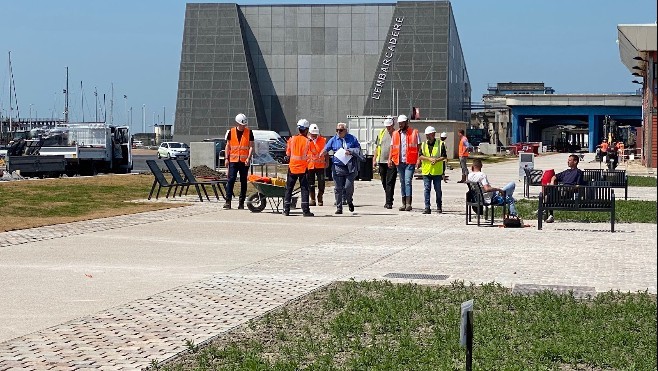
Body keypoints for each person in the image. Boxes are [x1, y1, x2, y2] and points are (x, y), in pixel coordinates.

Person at [320, 122, 362, 214]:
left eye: (341, 130)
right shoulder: (333, 139)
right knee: (338, 188)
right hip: (338, 167)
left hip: (350, 167)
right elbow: (326, 148)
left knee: (348, 187)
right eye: (337, 130)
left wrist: (350, 151)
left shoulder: (352, 139)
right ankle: (339, 208)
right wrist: (322, 153)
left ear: (345, 130)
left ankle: (349, 201)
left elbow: (358, 149)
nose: (339, 132)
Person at [388, 114, 421, 211]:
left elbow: (419, 147)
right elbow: (392, 147)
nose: (401, 125)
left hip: (410, 161)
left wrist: (419, 159)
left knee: (407, 181)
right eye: (399, 123)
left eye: (402, 123)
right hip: (399, 162)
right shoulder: (395, 134)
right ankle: (403, 203)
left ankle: (408, 203)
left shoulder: (414, 132)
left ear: (407, 123)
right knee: (402, 182)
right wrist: (390, 159)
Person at [283, 119, 314, 217]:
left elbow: (288, 153)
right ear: (306, 130)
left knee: (289, 189)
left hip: (292, 168)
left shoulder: (291, 139)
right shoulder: (308, 141)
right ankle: (305, 211)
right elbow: (310, 155)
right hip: (303, 169)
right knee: (304, 189)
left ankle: (286, 210)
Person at [224, 113, 254, 209]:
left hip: (244, 161)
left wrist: (248, 158)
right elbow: (227, 146)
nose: (243, 126)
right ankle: (228, 201)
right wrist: (226, 158)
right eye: (242, 124)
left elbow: (251, 147)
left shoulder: (249, 132)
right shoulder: (231, 132)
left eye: (245, 124)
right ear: (237, 123)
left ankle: (241, 202)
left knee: (243, 181)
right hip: (233, 160)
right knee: (231, 180)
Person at [544, 154, 585, 223]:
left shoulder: (578, 172)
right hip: (561, 191)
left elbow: (578, 186)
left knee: (548, 195)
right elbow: (554, 176)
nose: (567, 162)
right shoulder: (566, 172)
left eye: (569, 160)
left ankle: (544, 210)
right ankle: (548, 213)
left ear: (575, 161)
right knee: (548, 194)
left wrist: (568, 188)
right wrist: (552, 181)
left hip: (569, 192)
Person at [417, 126, 447, 214]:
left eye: (429, 135)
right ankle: (427, 207)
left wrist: (436, 160)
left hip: (437, 171)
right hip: (426, 171)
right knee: (427, 189)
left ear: (433, 134)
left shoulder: (440, 144)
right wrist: (428, 159)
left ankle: (439, 206)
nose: (427, 136)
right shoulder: (423, 144)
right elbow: (420, 155)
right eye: (427, 135)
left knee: (438, 189)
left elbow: (444, 156)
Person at [372, 116, 397, 209]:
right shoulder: (381, 133)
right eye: (387, 126)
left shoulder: (396, 134)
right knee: (384, 181)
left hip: (392, 161)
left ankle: (389, 202)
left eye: (389, 126)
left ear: (393, 125)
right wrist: (374, 159)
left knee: (390, 182)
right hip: (382, 161)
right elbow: (377, 147)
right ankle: (389, 197)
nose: (388, 128)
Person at [307, 124, 327, 206]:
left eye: (315, 134)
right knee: (310, 183)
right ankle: (312, 199)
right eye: (313, 134)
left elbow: (326, 152)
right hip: (310, 165)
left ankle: (320, 197)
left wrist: (327, 161)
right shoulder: (306, 140)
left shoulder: (323, 140)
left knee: (321, 182)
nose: (314, 135)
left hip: (320, 165)